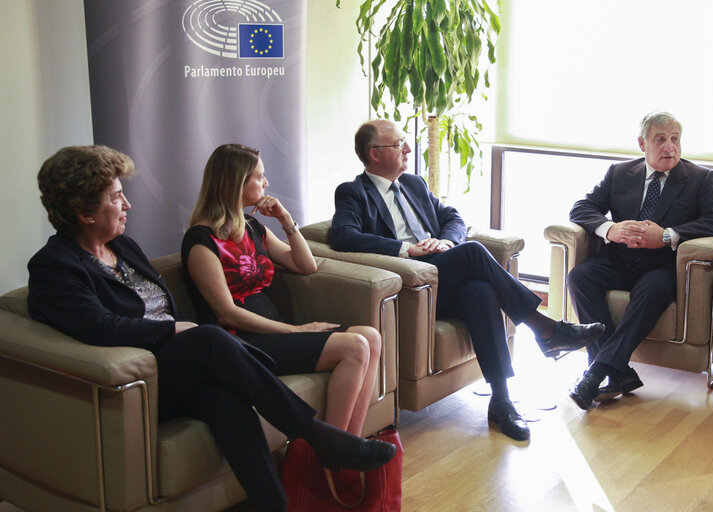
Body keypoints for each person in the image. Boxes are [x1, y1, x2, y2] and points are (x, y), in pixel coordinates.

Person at [26, 145, 396, 512]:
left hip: (180, 366)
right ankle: (319, 437)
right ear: (85, 212)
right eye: (117, 197)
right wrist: (170, 331)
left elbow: (305, 265)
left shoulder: (123, 247)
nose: (128, 206)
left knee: (227, 402)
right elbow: (98, 327)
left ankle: (273, 505)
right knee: (208, 336)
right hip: (142, 377)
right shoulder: (54, 266)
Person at [330, 119, 605, 442]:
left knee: (481, 292)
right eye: (398, 144)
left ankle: (501, 400)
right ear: (374, 154)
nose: (407, 148)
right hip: (410, 286)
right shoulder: (353, 192)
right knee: (473, 252)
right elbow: (343, 236)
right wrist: (408, 249)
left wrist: (445, 242)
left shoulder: (414, 184)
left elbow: (453, 218)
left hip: (443, 273)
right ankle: (545, 329)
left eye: (405, 141)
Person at [182, 143, 382, 437]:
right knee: (355, 346)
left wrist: (286, 220)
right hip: (239, 345)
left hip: (271, 333)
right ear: (236, 182)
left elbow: (305, 265)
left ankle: (349, 445)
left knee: (371, 336)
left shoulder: (250, 226)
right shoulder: (201, 241)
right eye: (259, 177)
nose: (266, 183)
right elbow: (227, 314)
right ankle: (331, 449)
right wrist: (296, 330)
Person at [567, 111, 713, 409]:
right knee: (579, 276)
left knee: (653, 289)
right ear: (642, 144)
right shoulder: (619, 173)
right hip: (619, 259)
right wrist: (611, 229)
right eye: (661, 140)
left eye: (675, 139)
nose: (670, 147)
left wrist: (668, 235)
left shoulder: (700, 179)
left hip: (661, 266)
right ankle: (618, 372)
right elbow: (581, 208)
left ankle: (594, 374)